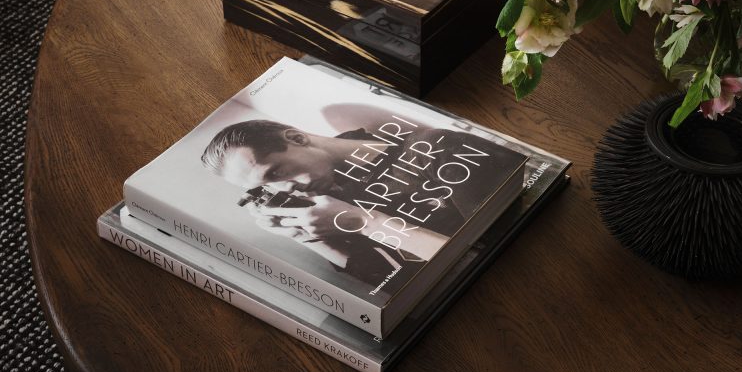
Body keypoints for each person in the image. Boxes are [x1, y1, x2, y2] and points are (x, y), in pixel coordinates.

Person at [200, 117, 515, 284]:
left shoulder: (437, 147)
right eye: (264, 187)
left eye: (275, 173)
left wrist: (364, 222)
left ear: (297, 138)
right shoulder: (330, 198)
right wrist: (306, 237)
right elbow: (395, 281)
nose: (287, 190)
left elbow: (483, 258)